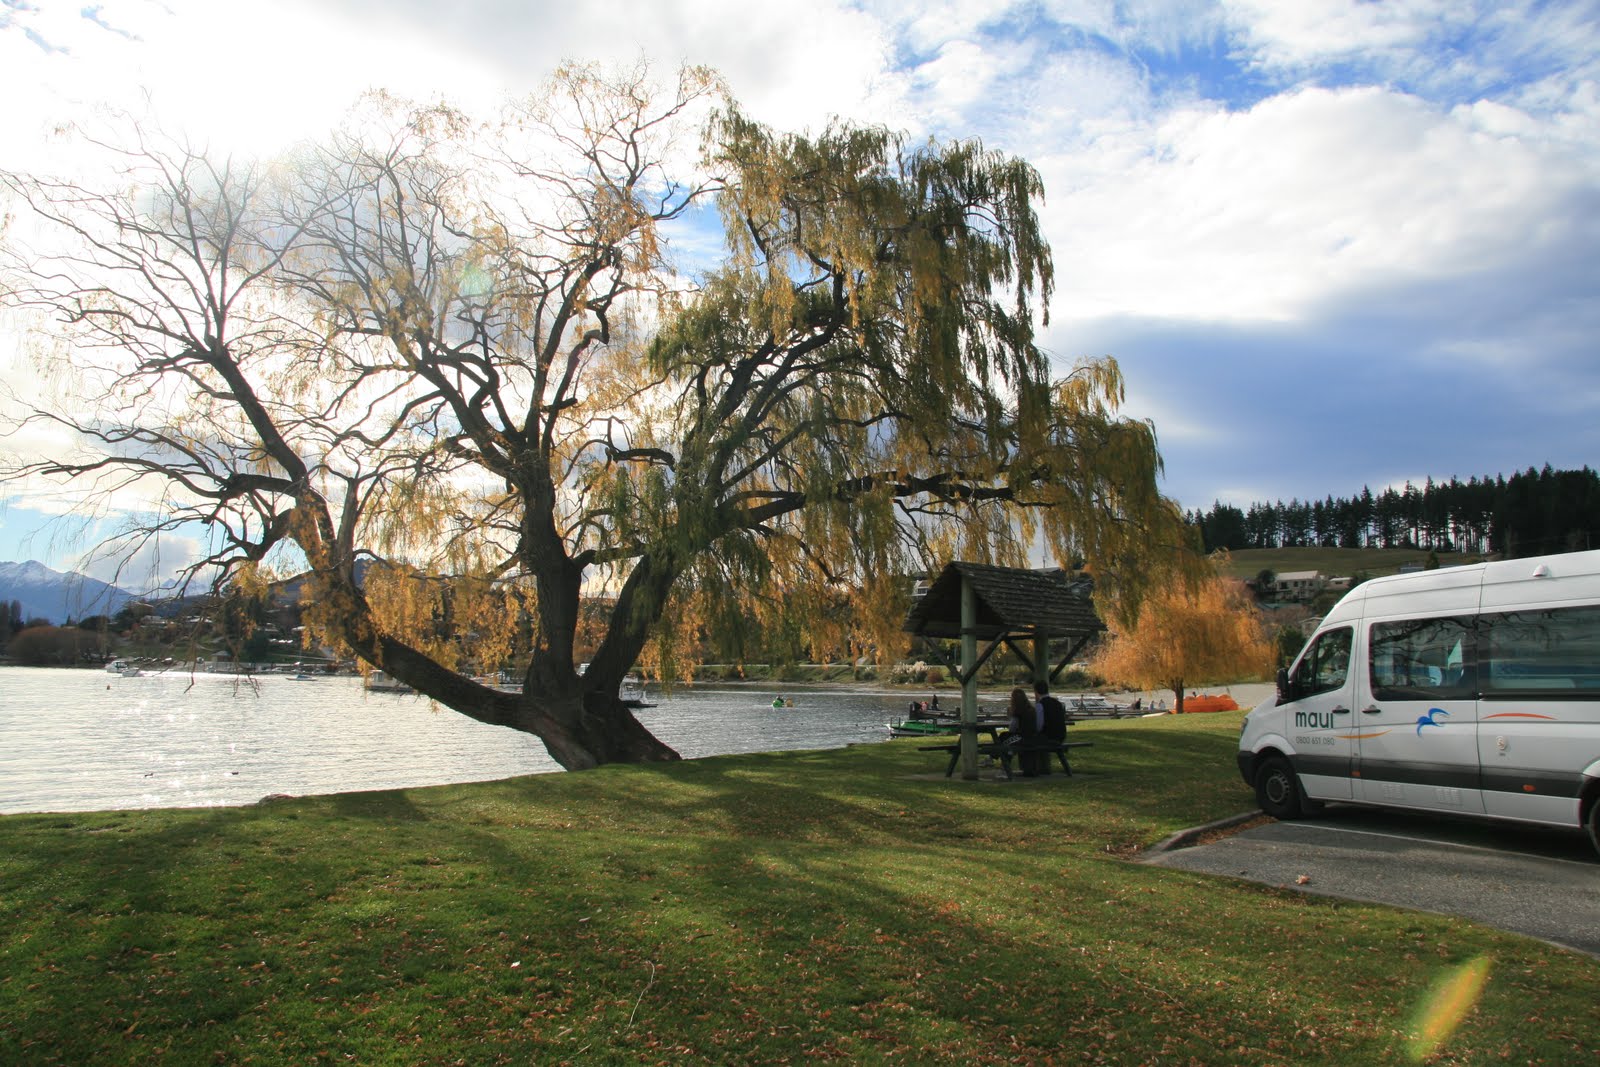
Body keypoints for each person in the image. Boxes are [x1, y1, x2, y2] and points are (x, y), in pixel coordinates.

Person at [1004, 686, 1042, 776]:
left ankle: (1002, 765)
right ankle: (996, 758)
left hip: (1022, 738)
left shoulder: (1017, 712)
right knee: (1005, 738)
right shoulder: (1031, 710)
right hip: (1032, 737)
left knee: (1004, 741)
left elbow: (1012, 729)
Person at [1033, 680, 1069, 775]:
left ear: (1036, 692)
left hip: (1048, 737)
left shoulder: (1040, 705)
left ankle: (1031, 768)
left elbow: (1038, 726)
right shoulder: (1058, 703)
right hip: (1060, 737)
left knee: (1026, 741)